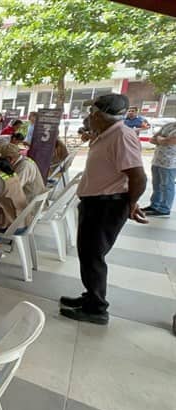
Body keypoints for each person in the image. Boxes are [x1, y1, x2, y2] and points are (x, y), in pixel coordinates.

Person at [60, 94, 148, 325]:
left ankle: (97, 308)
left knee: (93, 255)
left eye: (92, 113)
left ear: (99, 115)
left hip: (106, 205)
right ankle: (90, 297)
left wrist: (130, 203)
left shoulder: (121, 136)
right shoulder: (108, 135)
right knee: (88, 254)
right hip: (97, 203)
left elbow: (138, 176)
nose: (89, 116)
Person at [143, 122, 176, 217]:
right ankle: (154, 206)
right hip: (158, 160)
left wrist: (161, 139)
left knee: (167, 186)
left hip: (170, 163)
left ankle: (164, 209)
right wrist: (162, 139)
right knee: (156, 184)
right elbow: (152, 139)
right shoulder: (169, 125)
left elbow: (168, 141)